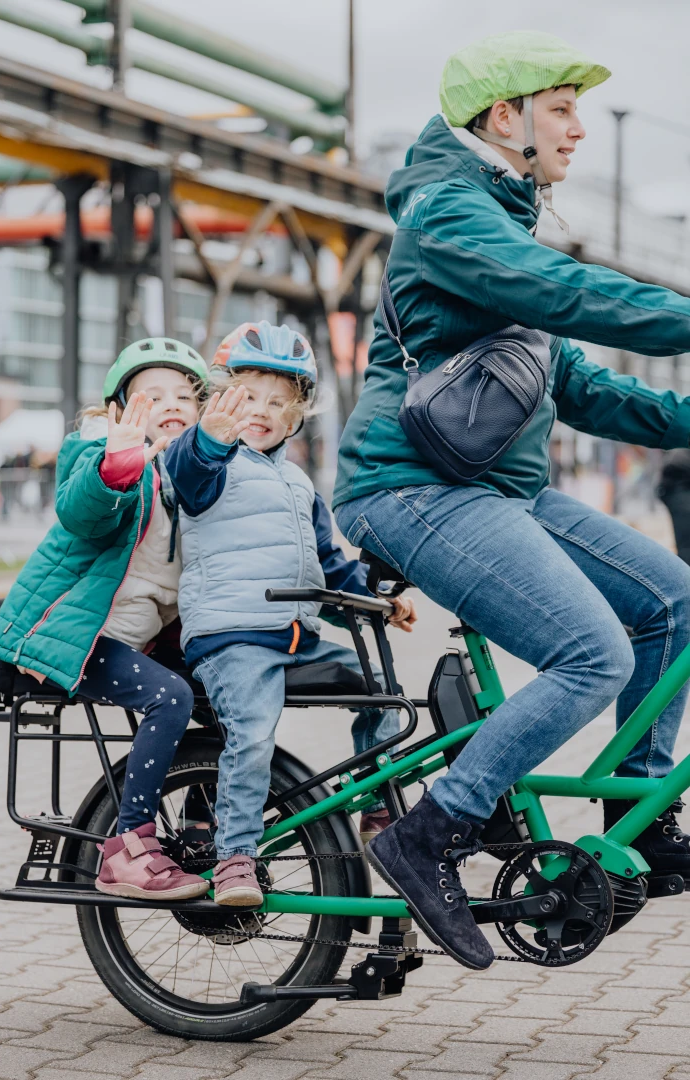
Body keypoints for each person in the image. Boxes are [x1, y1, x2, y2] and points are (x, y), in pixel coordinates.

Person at [333, 30, 690, 971]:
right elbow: (565, 293)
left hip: (500, 491)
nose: (579, 130)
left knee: (674, 603)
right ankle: (430, 834)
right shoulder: (449, 215)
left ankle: (636, 821)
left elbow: (587, 390)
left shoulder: (506, 222)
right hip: (408, 490)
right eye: (563, 109)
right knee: (591, 653)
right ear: (507, 118)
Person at [165, 321, 417, 906]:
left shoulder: (298, 481)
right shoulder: (208, 459)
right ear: (220, 399)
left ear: (297, 413)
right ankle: (234, 858)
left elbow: (328, 563)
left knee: (381, 689)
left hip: (294, 634)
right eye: (247, 396)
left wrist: (378, 601)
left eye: (278, 403)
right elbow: (188, 477)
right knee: (251, 734)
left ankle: (377, 806)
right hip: (234, 636)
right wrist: (210, 436)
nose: (261, 411)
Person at [0, 338, 213, 902]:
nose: (172, 403)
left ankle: (202, 829)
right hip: (75, 639)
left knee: (230, 691)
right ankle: (128, 848)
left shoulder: (189, 475)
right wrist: (120, 458)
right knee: (171, 699)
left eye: (186, 395)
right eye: (152, 395)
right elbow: (82, 512)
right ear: (117, 410)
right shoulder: (102, 452)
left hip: (142, 639)